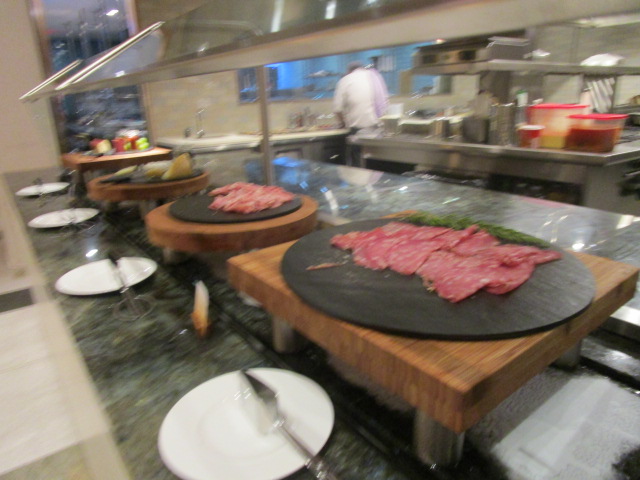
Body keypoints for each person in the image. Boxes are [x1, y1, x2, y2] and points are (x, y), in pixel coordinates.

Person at [333, 61, 389, 165]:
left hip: (358, 133)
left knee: (358, 168)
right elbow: (385, 103)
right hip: (379, 131)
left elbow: (337, 109)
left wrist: (342, 123)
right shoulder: (375, 77)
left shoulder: (345, 80)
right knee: (376, 166)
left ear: (349, 71)